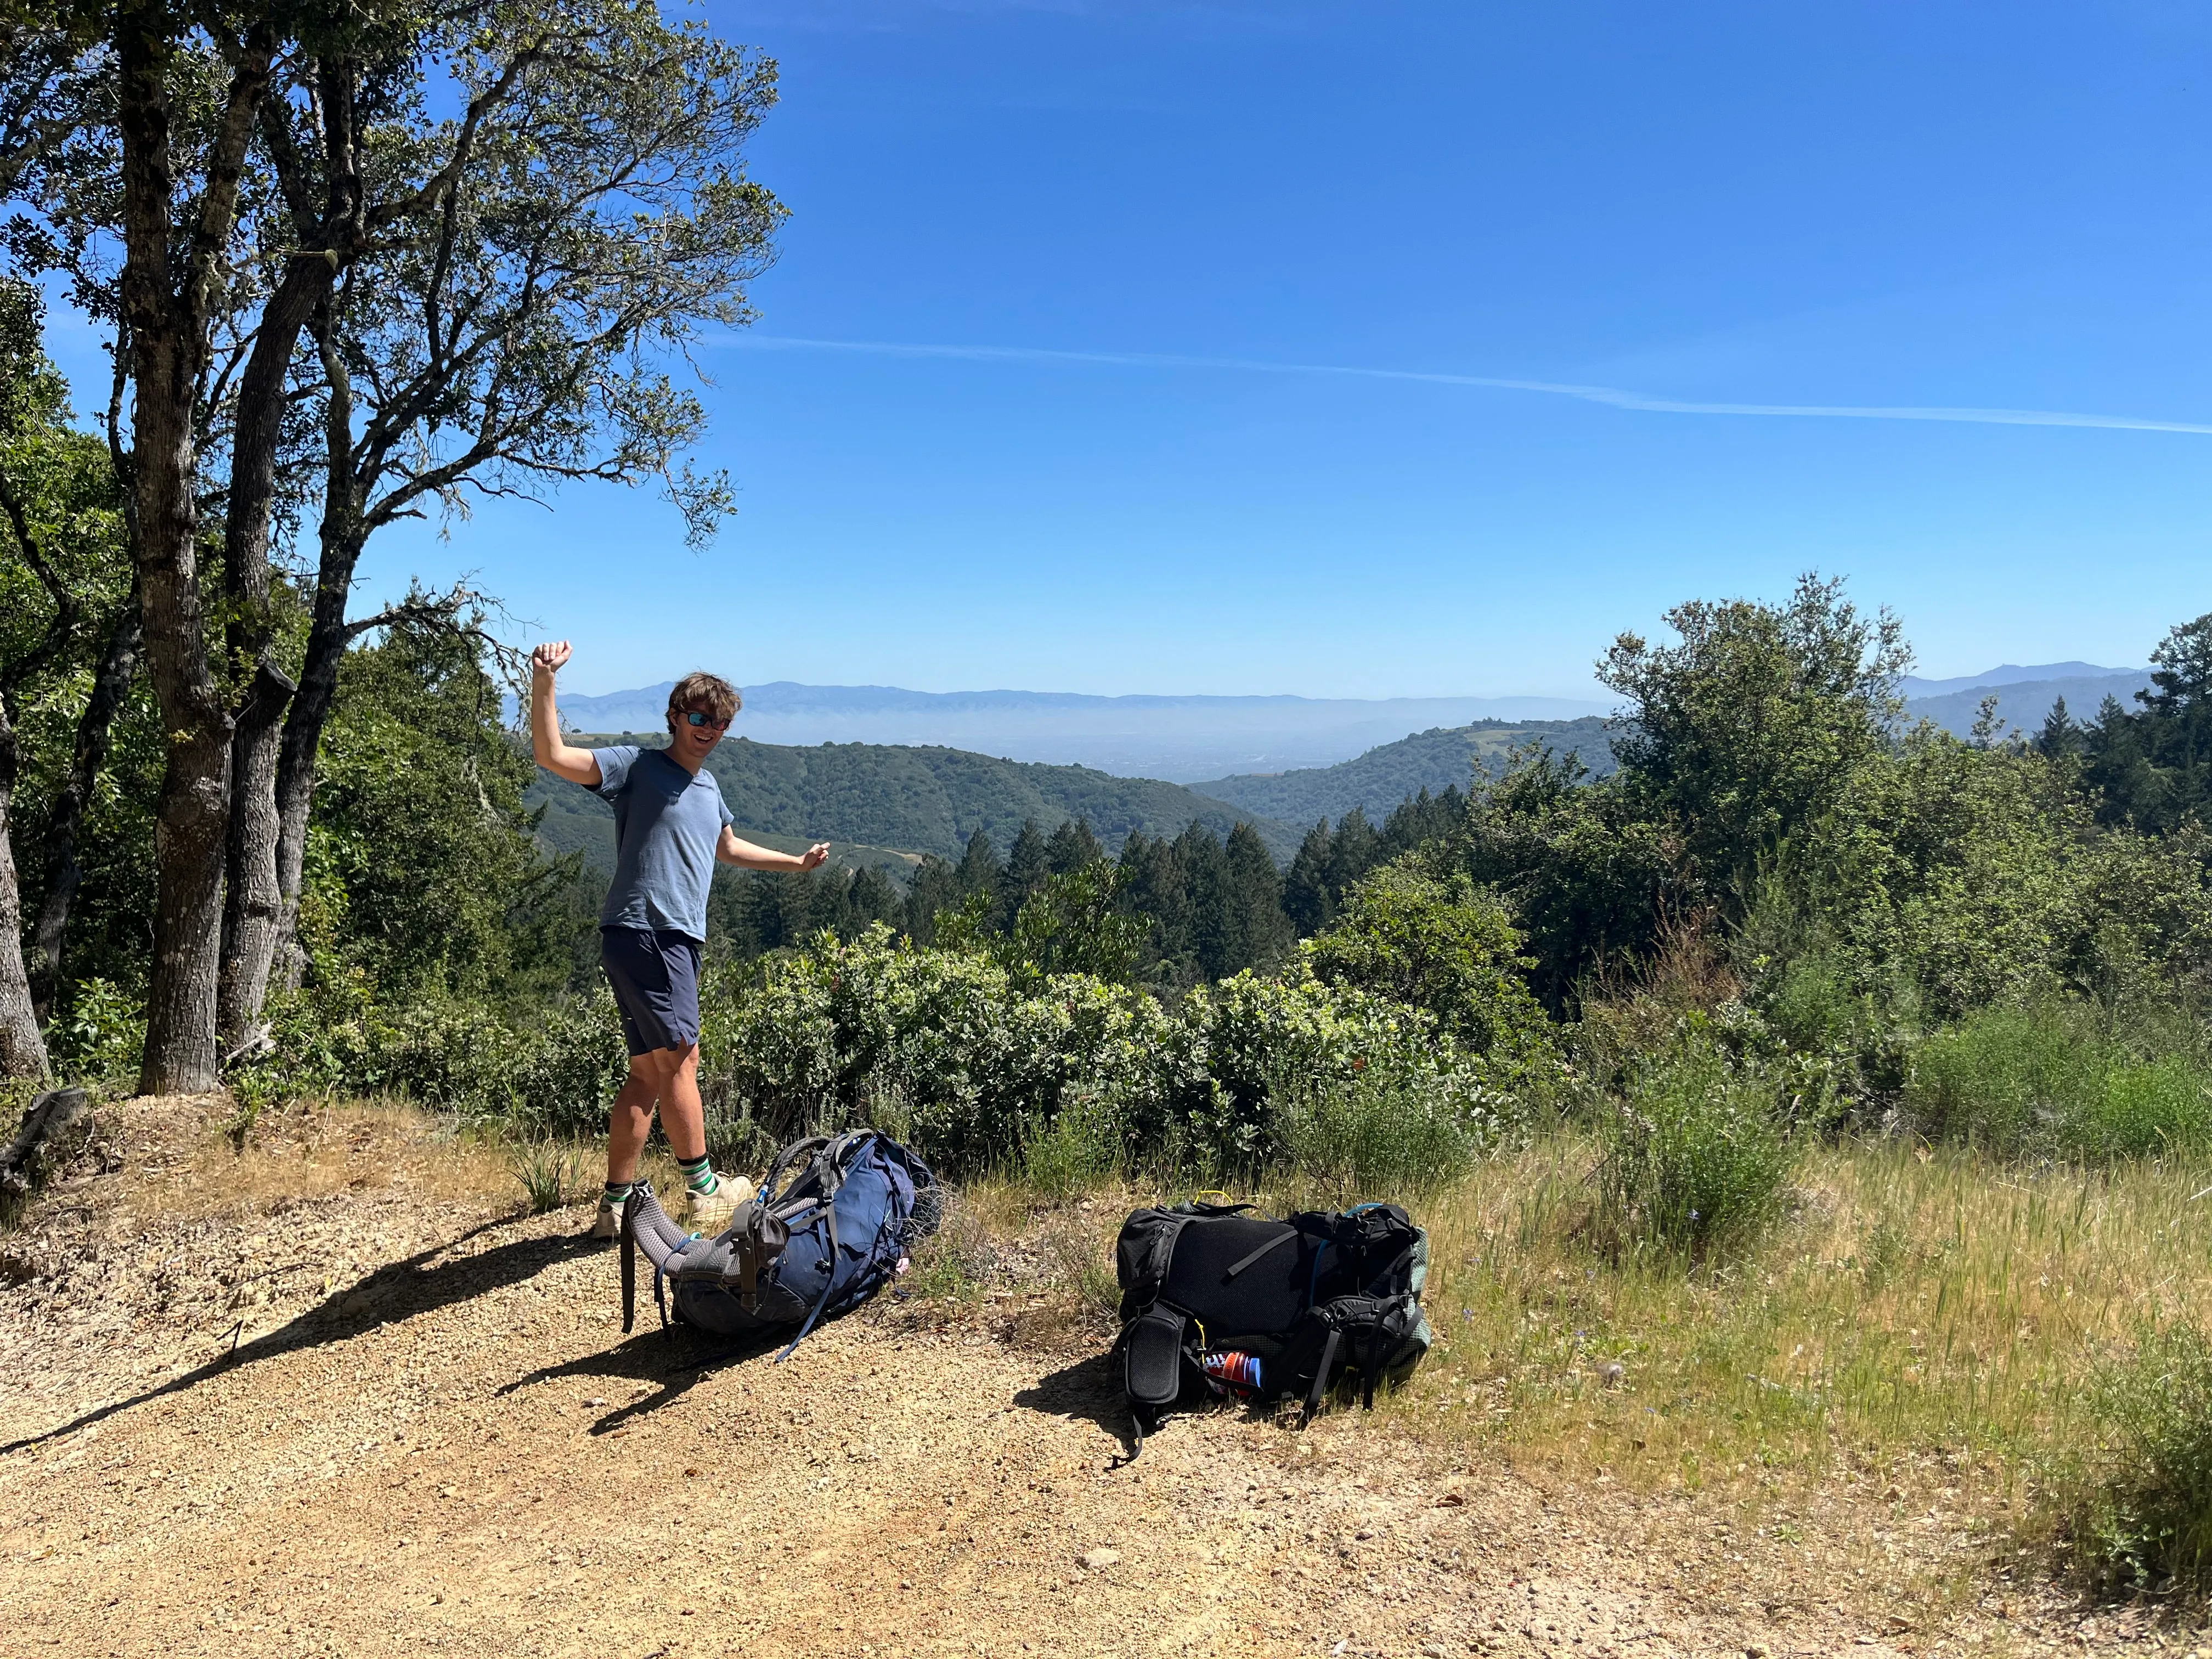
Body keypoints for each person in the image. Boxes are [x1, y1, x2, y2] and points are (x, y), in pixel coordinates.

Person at [530, 642, 829, 1238]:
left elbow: (727, 847)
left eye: (720, 723)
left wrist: (795, 865)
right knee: (683, 1060)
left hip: (655, 940)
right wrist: (545, 682)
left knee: (648, 1073)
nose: (709, 730)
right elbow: (552, 755)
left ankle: (616, 1207)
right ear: (674, 716)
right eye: (698, 717)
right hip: (652, 933)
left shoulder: (708, 787)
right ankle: (705, 1193)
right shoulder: (637, 766)